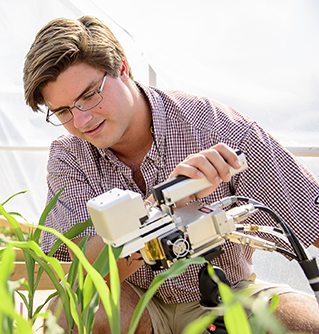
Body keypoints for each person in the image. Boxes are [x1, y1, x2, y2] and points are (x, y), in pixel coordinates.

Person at [23, 16, 319, 334]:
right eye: (64, 111)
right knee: (76, 310)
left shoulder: (215, 128)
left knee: (301, 323)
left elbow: (311, 216)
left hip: (227, 293)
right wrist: (158, 210)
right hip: (136, 300)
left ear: (121, 68)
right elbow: (90, 270)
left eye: (89, 95)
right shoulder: (69, 156)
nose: (81, 121)